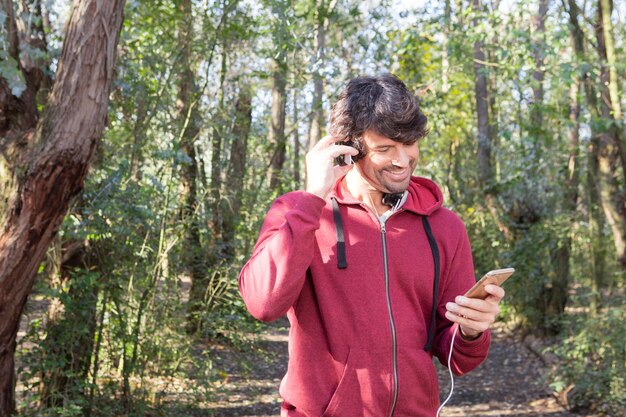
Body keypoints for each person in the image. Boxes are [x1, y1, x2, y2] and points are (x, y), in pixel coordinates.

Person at [238, 74, 505, 417]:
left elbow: (457, 358)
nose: (403, 159)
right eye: (385, 148)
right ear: (349, 149)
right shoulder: (298, 213)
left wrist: (470, 330)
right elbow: (263, 303)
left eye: (410, 143)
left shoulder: (445, 228)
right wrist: (312, 198)